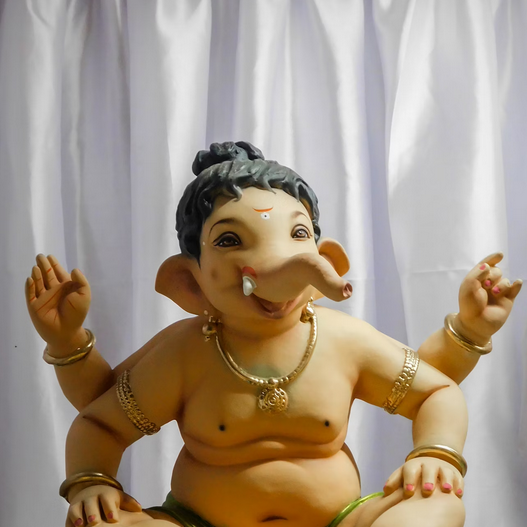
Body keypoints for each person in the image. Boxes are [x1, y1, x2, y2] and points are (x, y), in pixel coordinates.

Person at [26, 142, 522, 527]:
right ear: (189, 282)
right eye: (229, 239)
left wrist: (435, 453)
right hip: (200, 521)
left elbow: (434, 389)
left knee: (437, 507)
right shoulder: (187, 351)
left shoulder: (342, 340)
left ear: (325, 263)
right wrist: (91, 482)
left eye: (298, 234)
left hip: (340, 520)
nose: (275, 263)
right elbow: (102, 420)